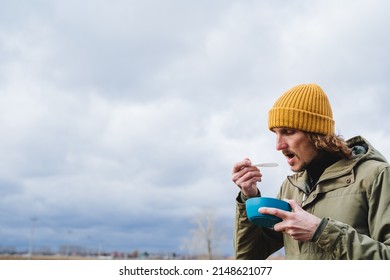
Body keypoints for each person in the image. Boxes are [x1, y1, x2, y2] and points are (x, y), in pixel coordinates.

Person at [231, 83, 390, 260]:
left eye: (288, 131)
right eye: (275, 133)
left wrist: (321, 231)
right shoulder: (291, 187)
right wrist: (248, 197)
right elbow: (248, 258)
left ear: (317, 133)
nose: (278, 145)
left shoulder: (376, 175)